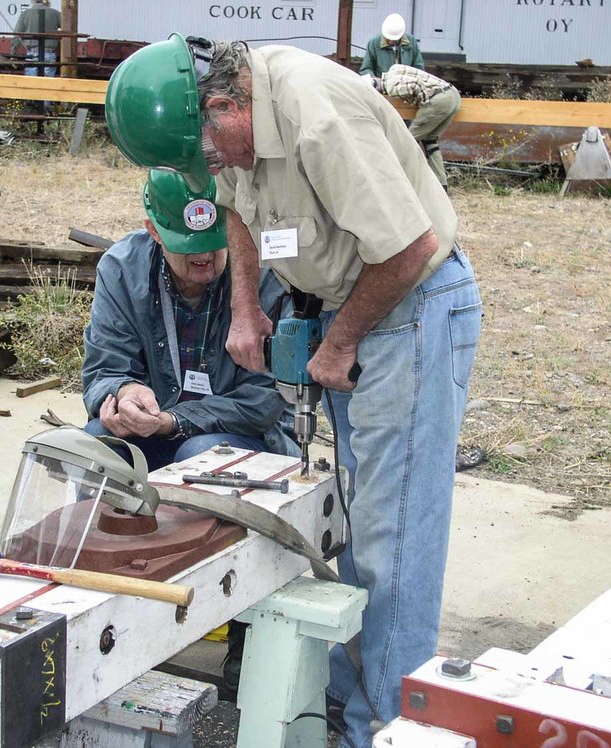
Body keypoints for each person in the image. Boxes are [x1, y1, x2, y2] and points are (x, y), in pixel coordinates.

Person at [105, 35, 482, 747]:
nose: (213, 167)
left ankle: (386, 729)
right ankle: (347, 691)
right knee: (357, 513)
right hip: (351, 300)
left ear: (226, 104)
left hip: (411, 306)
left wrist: (339, 344)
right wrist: (247, 308)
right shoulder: (229, 125)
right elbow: (238, 209)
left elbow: (409, 249)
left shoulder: (316, 112)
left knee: (395, 533)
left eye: (211, 151)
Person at [81, 169, 299, 473]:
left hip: (248, 435)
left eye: (215, 240)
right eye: (188, 245)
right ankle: (101, 523)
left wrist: (173, 422)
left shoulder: (268, 276)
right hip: (153, 430)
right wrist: (124, 393)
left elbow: (264, 400)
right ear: (154, 231)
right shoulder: (121, 270)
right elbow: (104, 368)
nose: (205, 255)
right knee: (97, 444)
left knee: (199, 456)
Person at [364, 64, 461, 190]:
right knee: (430, 141)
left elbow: (415, 85)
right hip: (452, 95)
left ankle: (400, 182)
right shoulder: (394, 69)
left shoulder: (391, 87)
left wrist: (426, 103)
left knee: (406, 141)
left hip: (437, 101)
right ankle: (441, 184)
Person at [360, 12, 425, 78]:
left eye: (394, 40)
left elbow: (419, 67)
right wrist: (374, 80)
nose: (391, 41)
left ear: (401, 36)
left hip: (406, 84)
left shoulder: (411, 42)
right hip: (381, 84)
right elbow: (366, 69)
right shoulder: (373, 43)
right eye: (388, 39)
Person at [11, 0, 62, 78]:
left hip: (32, 53)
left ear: (33, 1)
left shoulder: (25, 14)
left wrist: (13, 54)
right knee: (48, 83)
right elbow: (67, 29)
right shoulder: (56, 14)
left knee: (31, 82)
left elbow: (16, 35)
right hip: (50, 53)